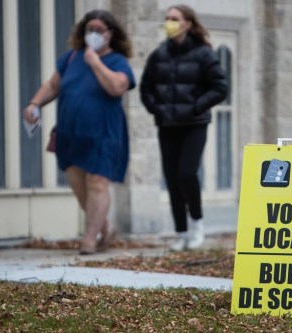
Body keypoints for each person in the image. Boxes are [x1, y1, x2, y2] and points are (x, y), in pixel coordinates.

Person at [23, 10, 136, 255]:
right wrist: (34, 104)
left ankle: (89, 239)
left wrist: (95, 62)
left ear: (110, 34)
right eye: (89, 29)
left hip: (104, 133)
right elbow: (52, 85)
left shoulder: (116, 61)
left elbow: (117, 87)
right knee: (78, 185)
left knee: (97, 183)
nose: (93, 34)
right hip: (71, 132)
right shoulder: (71, 58)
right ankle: (105, 228)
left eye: (99, 30)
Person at [140, 4, 228, 251]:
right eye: (167, 18)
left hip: (194, 124)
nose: (168, 22)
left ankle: (197, 224)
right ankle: (181, 232)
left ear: (187, 24)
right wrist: (157, 109)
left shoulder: (204, 54)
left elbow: (220, 88)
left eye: (174, 18)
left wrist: (195, 107)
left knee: (186, 174)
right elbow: (146, 88)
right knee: (171, 178)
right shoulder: (159, 54)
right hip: (167, 124)